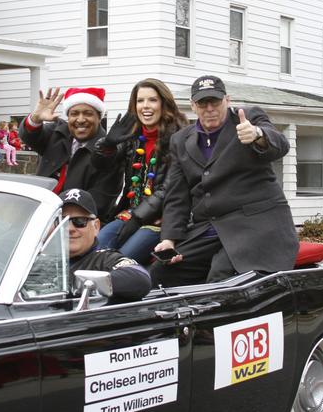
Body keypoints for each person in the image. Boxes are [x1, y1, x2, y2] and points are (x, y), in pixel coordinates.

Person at [150, 76, 298, 287]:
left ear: (227, 100)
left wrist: (258, 134)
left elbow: (280, 144)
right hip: (210, 229)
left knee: (222, 278)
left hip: (256, 226)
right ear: (193, 106)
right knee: (162, 273)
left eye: (215, 102)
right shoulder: (181, 140)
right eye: (202, 103)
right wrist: (169, 239)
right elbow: (176, 196)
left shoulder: (248, 118)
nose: (209, 108)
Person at [92, 78, 188, 263]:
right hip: (129, 214)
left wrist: (137, 217)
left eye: (152, 100)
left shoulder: (180, 137)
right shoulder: (132, 136)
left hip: (161, 220)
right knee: (96, 249)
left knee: (122, 260)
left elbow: (170, 187)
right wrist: (107, 144)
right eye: (140, 100)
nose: (145, 106)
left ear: (164, 103)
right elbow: (102, 165)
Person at [19, 86, 123, 220]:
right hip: (38, 212)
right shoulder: (57, 132)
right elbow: (29, 136)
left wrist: (57, 218)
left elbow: (99, 203)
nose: (80, 119)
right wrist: (35, 119)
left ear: (99, 118)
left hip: (75, 222)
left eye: (88, 113)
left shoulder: (108, 153)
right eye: (74, 114)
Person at [60, 189, 151, 300]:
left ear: (96, 227)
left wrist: (78, 283)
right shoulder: (38, 258)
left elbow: (140, 279)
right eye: (62, 221)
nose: (70, 229)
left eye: (79, 221)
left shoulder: (105, 259)